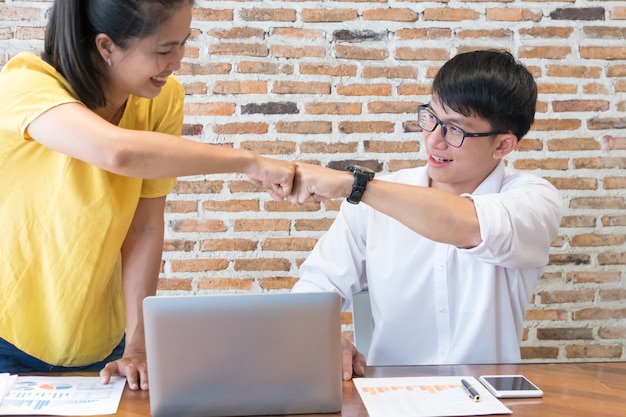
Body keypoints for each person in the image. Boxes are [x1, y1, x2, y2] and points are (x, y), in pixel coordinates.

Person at [0, 0, 295, 391]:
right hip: (9, 336)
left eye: (183, 43)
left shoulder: (162, 100)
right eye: (163, 50)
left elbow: (144, 227)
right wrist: (248, 162)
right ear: (106, 47)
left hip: (102, 343)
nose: (178, 61)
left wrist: (137, 346)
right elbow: (117, 152)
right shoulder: (27, 82)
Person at [289, 50, 563, 380]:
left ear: (503, 145)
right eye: (430, 118)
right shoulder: (374, 201)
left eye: (454, 130)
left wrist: (356, 186)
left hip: (490, 399)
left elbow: (470, 225)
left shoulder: (533, 200)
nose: (433, 140)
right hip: (390, 398)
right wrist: (325, 337)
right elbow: (317, 287)